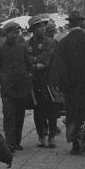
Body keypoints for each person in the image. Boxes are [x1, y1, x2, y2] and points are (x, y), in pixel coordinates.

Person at [52, 13, 85, 154]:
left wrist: (60, 85)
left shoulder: (64, 43)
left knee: (73, 114)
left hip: (71, 87)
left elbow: (58, 66)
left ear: (69, 25)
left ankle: (75, 144)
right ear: (80, 23)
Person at [0, 23, 33, 149]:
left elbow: (29, 65)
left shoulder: (22, 48)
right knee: (9, 115)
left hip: (21, 87)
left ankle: (17, 141)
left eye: (17, 33)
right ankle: (9, 142)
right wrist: (0, 81)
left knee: (19, 115)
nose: (15, 35)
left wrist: (28, 78)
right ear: (7, 34)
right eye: (13, 33)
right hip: (8, 89)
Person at [27, 18, 60, 148]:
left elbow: (47, 59)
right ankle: (41, 135)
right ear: (34, 30)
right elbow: (27, 59)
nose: (43, 29)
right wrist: (36, 62)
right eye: (40, 27)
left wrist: (35, 61)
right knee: (37, 109)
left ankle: (51, 136)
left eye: (43, 27)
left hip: (48, 80)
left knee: (51, 108)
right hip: (35, 80)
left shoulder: (50, 42)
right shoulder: (27, 44)